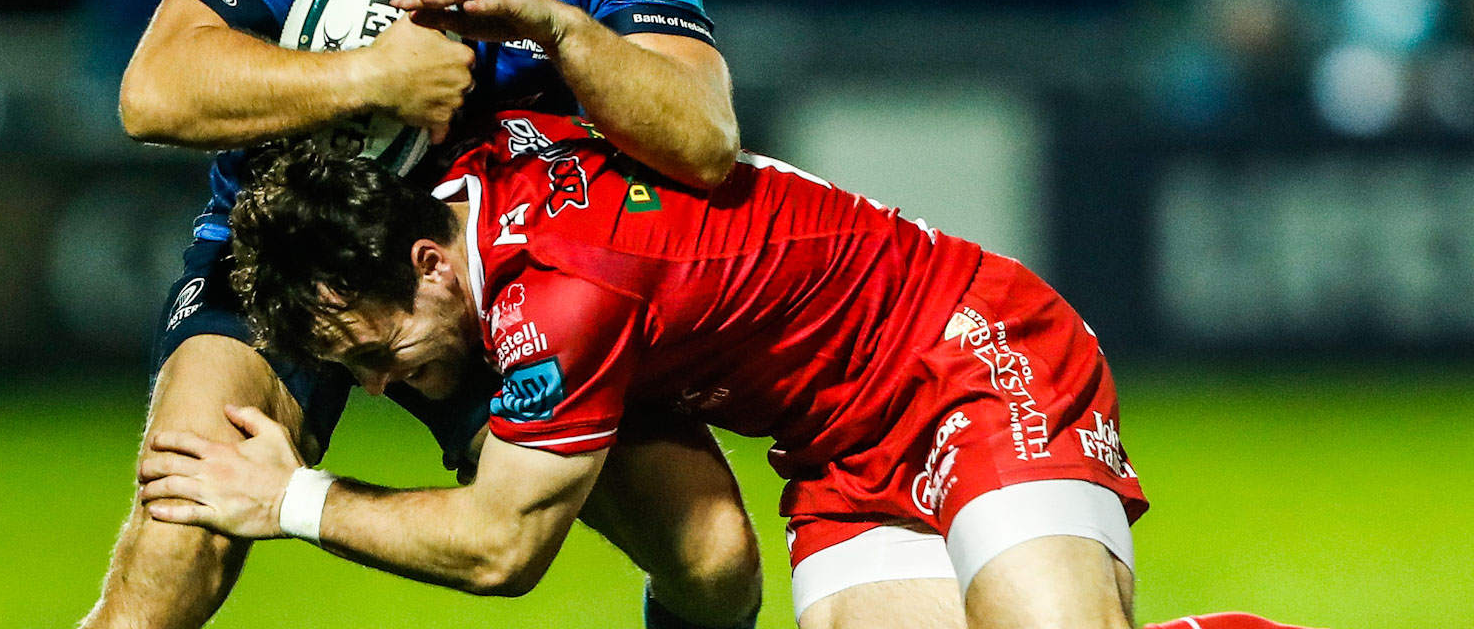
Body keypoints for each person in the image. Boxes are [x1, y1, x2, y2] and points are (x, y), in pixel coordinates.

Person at [83, 0, 759, 629]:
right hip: (287, 247)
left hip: (489, 287)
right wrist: (369, 77)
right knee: (178, 531)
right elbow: (152, 91)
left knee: (714, 558)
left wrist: (557, 28)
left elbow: (703, 138)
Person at [138, 112, 1331, 629]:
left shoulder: (556, 297)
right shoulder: (484, 185)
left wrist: (287, 498)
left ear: (427, 265)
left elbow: (502, 548)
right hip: (841, 451)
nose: (389, 389)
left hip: (969, 352)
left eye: (376, 356)